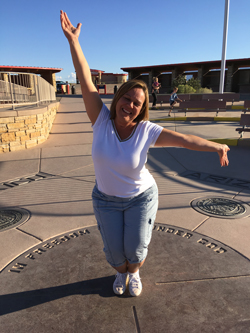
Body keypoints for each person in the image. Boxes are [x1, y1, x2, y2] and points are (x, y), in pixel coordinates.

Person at [60, 11, 230, 297]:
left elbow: (185, 140)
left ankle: (134, 273)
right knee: (115, 252)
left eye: (137, 104)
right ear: (118, 98)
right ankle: (120, 272)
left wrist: (217, 146)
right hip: (106, 200)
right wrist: (74, 42)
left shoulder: (146, 131)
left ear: (142, 109)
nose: (130, 106)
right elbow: (85, 79)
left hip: (141, 198)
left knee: (136, 250)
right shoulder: (100, 120)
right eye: (127, 98)